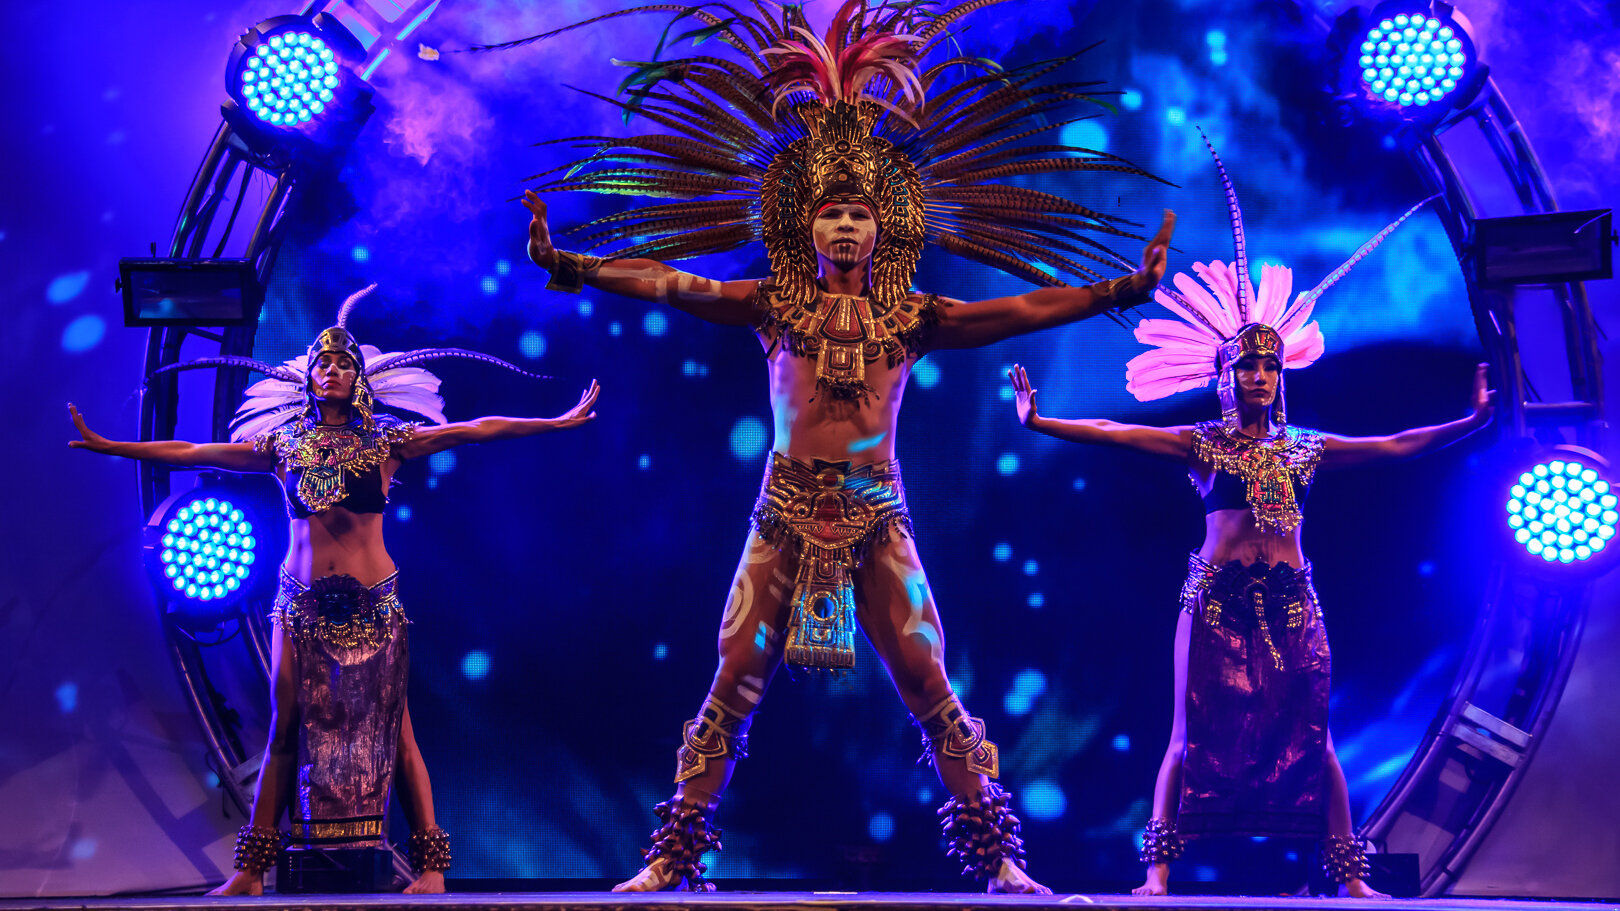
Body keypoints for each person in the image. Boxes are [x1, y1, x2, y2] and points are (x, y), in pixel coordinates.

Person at [506, 0, 1174, 893]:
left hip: (875, 511)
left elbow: (1015, 309)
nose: (847, 228)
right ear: (806, 229)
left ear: (885, 226)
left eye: (861, 214)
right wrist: (571, 264)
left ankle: (1004, 862)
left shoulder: (913, 314)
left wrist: (1117, 290)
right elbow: (669, 281)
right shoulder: (771, 306)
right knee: (733, 678)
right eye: (831, 216)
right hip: (783, 510)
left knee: (929, 680)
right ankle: (669, 858)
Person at [1005, 139, 1492, 898]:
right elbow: (1117, 432)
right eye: (1246, 365)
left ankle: (1352, 880)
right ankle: (1157, 876)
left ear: (1281, 371)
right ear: (1226, 374)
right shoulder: (1201, 442)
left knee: (1316, 738)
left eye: (1269, 364)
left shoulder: (1304, 446)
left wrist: (1470, 419)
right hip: (1216, 601)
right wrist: (1042, 421)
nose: (1259, 374)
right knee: (1186, 739)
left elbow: (1395, 444)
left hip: (1294, 601)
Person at [68, 285, 599, 895]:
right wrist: (110, 445)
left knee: (397, 731)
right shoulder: (282, 446)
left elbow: (476, 431)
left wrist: (555, 421)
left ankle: (430, 869)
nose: (334, 370)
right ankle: (249, 871)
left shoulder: (388, 441)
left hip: (376, 604)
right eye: (325, 362)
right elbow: (190, 449)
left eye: (346, 363)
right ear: (309, 378)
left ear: (360, 377)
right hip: (298, 603)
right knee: (285, 727)